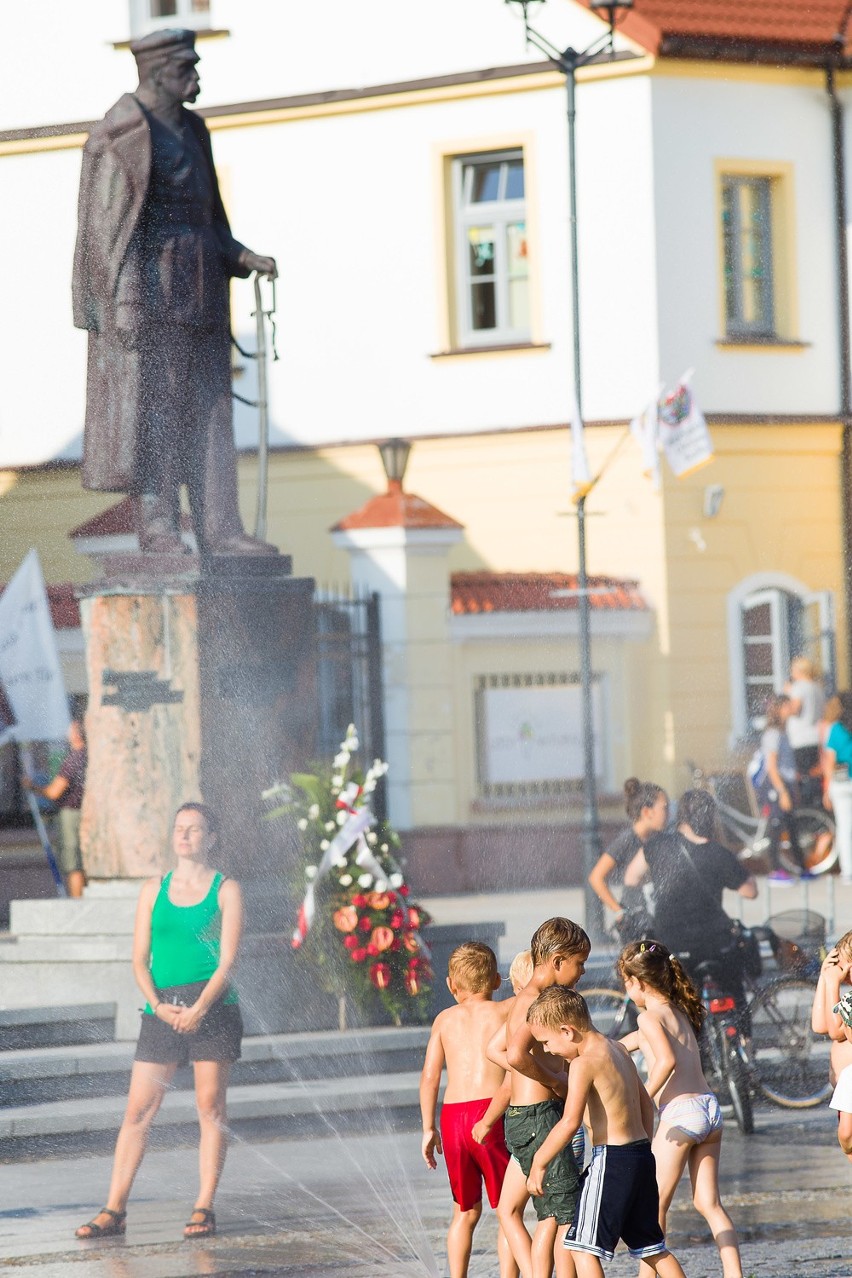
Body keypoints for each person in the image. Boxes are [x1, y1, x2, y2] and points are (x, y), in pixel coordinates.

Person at [73, 28, 278, 557]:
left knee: (211, 412)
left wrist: (241, 256)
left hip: (204, 291)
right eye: (188, 67)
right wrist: (122, 302)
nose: (197, 77)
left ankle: (221, 530)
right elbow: (105, 234)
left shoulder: (194, 129)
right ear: (159, 71)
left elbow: (210, 219)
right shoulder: (119, 133)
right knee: (156, 414)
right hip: (148, 297)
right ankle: (159, 527)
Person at [75, 802, 243, 1240]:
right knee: (137, 1112)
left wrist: (200, 1008)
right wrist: (157, 1004)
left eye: (194, 829)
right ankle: (115, 1208)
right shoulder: (153, 889)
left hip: (212, 1007)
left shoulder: (226, 890)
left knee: (210, 1108)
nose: (184, 835)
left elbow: (228, 961)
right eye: (179, 828)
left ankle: (204, 1204)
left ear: (212, 838)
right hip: (161, 1010)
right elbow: (138, 959)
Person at [525, 987, 686, 1278]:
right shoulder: (619, 1049)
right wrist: (643, 1146)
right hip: (639, 1155)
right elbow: (646, 1106)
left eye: (547, 1042)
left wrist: (539, 1163)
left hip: (611, 1160)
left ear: (567, 1030)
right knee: (652, 1248)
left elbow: (569, 1122)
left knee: (582, 1248)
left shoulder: (582, 1064)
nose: (547, 1050)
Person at [618, 941, 743, 1278]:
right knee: (709, 1203)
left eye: (626, 985)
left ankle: (649, 1276)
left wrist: (640, 1099)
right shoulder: (677, 1010)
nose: (627, 993)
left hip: (680, 1115)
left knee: (652, 1206)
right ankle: (735, 1274)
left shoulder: (648, 1018)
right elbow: (627, 1045)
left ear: (639, 983)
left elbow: (666, 1061)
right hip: (709, 1110)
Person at [495, 917, 590, 1278]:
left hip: (524, 1117)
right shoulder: (535, 1001)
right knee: (566, 1214)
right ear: (557, 960)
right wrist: (555, 1081)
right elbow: (516, 1054)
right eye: (578, 963)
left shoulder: (526, 998)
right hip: (539, 1115)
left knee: (550, 1214)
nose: (581, 971)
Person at [419, 942, 517, 1278]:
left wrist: (428, 1129)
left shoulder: (444, 1020)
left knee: (464, 1211)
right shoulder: (505, 1010)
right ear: (497, 980)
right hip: (491, 1115)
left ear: (450, 985)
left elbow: (430, 1077)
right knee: (509, 1210)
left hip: (452, 1119)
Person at [628, 790, 757, 1012]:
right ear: (710, 818)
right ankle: (741, 1037)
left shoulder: (658, 845)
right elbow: (750, 892)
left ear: (681, 816)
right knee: (733, 984)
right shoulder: (718, 852)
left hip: (671, 942)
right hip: (713, 942)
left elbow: (631, 877)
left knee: (682, 1000)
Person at [587, 778, 669, 931]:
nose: (668, 813)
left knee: (659, 952)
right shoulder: (627, 841)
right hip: (635, 923)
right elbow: (596, 877)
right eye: (665, 808)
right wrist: (618, 910)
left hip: (656, 918)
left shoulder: (661, 839)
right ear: (647, 812)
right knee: (649, 952)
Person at [23, 718, 88, 898]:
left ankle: (77, 904)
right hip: (86, 812)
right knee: (83, 861)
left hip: (71, 814)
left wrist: (32, 786)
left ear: (76, 734)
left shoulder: (74, 759)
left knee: (73, 862)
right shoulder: (89, 756)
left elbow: (54, 792)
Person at [758, 693, 810, 882]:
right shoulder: (773, 734)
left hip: (785, 784)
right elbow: (772, 767)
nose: (791, 710)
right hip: (776, 785)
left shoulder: (783, 732)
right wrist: (782, 792)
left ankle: (801, 867)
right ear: (779, 709)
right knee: (776, 827)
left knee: (792, 826)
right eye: (787, 706)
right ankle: (774, 870)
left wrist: (792, 787)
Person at [811, 930, 852, 1163]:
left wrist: (834, 984)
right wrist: (824, 978)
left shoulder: (849, 1004)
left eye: (846, 969)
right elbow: (819, 1025)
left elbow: (836, 1031)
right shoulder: (845, 999)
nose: (843, 975)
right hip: (846, 1100)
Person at [784, 656, 825, 806]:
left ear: (800, 671)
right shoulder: (817, 687)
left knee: (804, 778)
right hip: (816, 738)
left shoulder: (799, 687)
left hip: (801, 740)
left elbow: (795, 709)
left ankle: (807, 811)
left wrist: (788, 695)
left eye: (793, 669)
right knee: (814, 777)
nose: (791, 672)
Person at [822, 691, 852, 884]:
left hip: (840, 784)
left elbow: (830, 762)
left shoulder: (835, 729)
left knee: (844, 828)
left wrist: (826, 790)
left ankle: (848, 871)